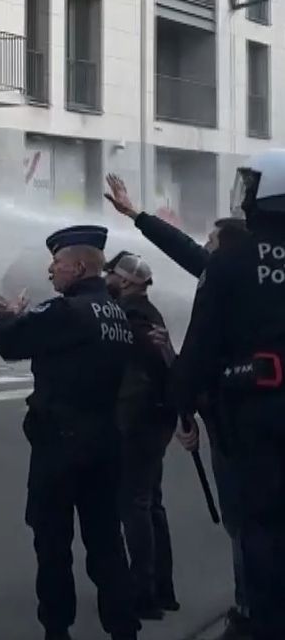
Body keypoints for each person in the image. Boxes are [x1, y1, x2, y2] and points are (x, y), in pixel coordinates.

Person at [104, 173, 255, 639]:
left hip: (243, 419)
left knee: (245, 518)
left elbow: (209, 351)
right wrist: (136, 216)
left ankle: (251, 609)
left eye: (212, 240)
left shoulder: (232, 284)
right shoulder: (244, 278)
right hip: (230, 412)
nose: (205, 246)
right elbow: (185, 250)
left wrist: (186, 399)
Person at [0, 225, 139, 640]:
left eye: (56, 263)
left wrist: (8, 317)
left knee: (53, 544)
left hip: (60, 443)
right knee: (107, 543)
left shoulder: (65, 311)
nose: (50, 270)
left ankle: (58, 628)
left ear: (78, 266)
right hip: (105, 438)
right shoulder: (115, 313)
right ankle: (124, 628)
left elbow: (10, 345)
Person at [171, 152, 285, 640]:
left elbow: (201, 344)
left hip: (253, 412)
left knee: (259, 522)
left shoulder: (231, 260)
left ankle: (261, 621)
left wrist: (182, 404)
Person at [102, 252, 177, 620]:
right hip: (154, 421)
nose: (107, 280)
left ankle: (144, 593)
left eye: (111, 274)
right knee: (150, 503)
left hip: (138, 423)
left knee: (135, 505)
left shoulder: (131, 316)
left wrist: (121, 423)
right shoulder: (148, 313)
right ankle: (164, 588)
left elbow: (136, 377)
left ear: (128, 282)